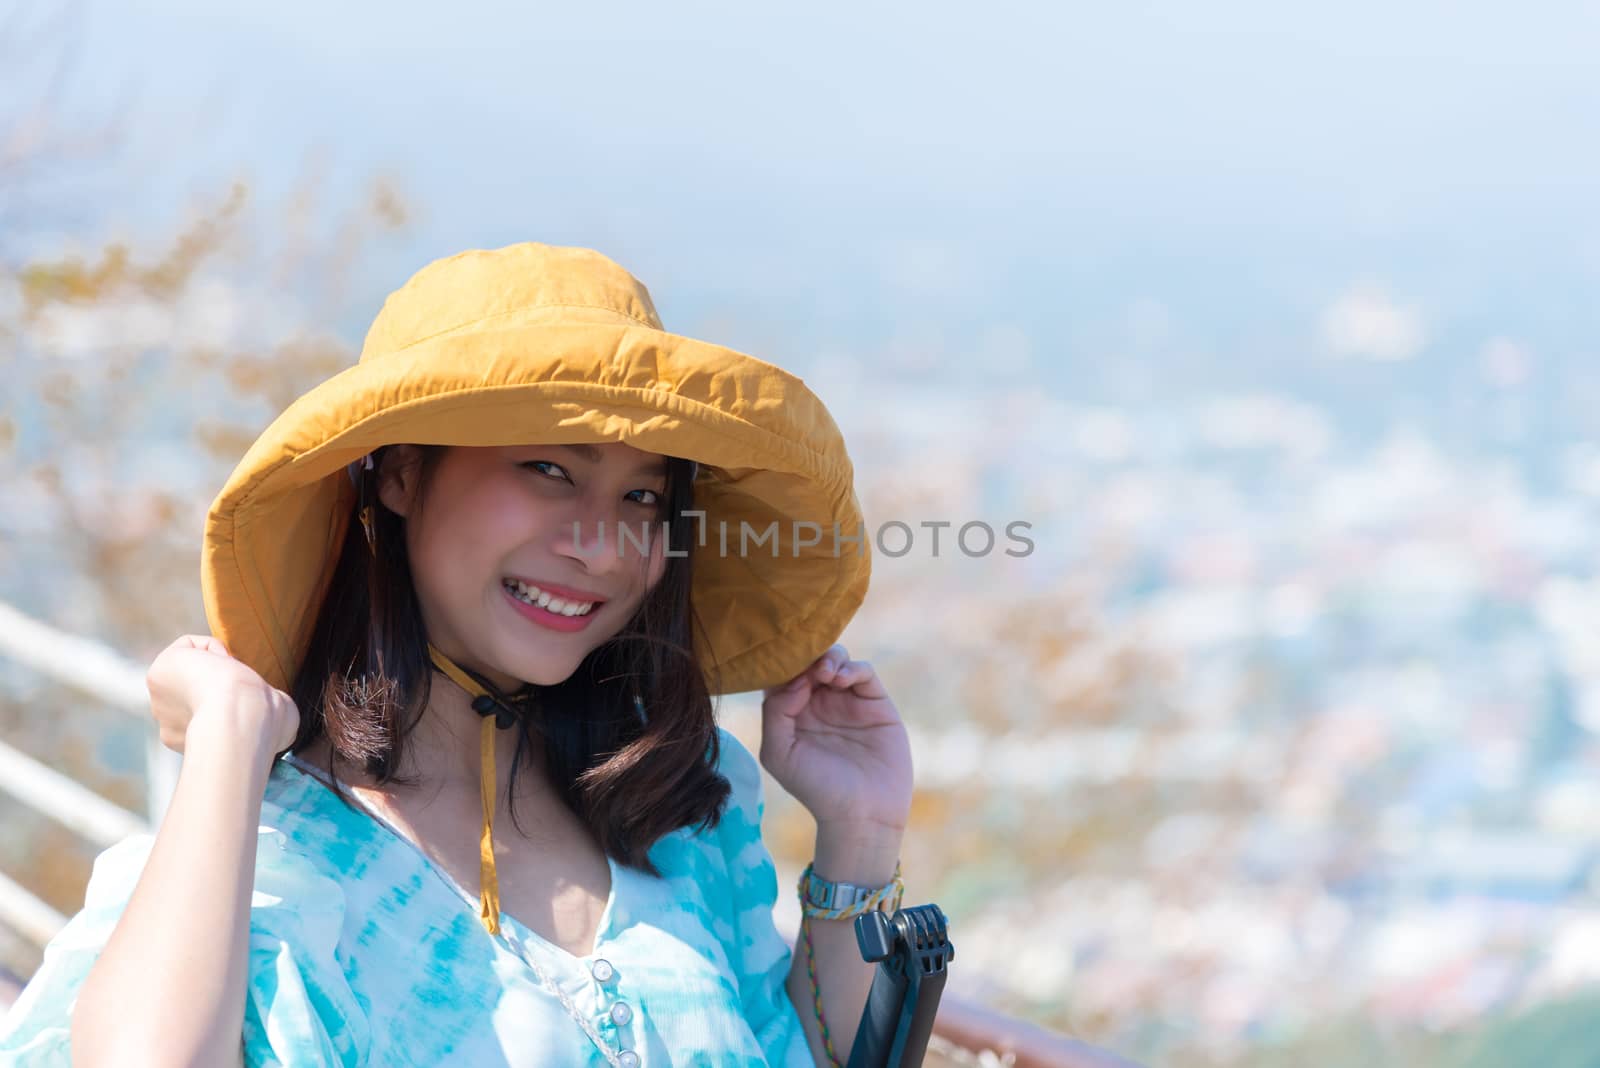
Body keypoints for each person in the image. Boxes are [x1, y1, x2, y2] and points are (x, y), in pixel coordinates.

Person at [0, 242, 913, 1066]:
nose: (601, 546)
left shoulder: (675, 808)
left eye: (643, 499)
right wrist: (230, 733)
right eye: (549, 470)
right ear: (402, 473)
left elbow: (807, 1053)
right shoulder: (271, 848)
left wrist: (861, 836)